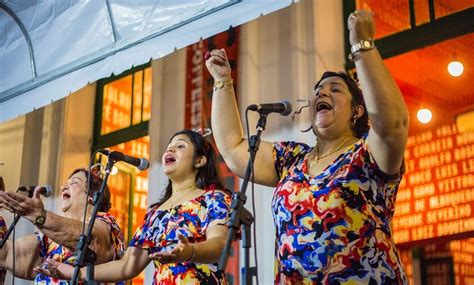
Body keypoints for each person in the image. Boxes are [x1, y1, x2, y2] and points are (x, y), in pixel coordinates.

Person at [205, 9, 409, 284]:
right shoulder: (292, 159)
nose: (322, 93)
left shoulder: (365, 154)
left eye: (335, 89)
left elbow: (393, 123)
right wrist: (222, 81)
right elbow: (233, 150)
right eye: (317, 92)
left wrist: (363, 46)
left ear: (357, 110)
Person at [35, 129, 234, 284]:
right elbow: (126, 266)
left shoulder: (213, 197)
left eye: (180, 146)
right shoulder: (155, 214)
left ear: (199, 160)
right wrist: (73, 272)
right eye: (169, 146)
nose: (170, 150)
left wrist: (188, 251)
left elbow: (219, 245)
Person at [0, 168, 126, 284]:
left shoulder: (107, 223)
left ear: (92, 196)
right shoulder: (49, 239)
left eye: (74, 183)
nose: (63, 187)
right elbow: (7, 253)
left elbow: (91, 242)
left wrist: (39, 216)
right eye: (66, 183)